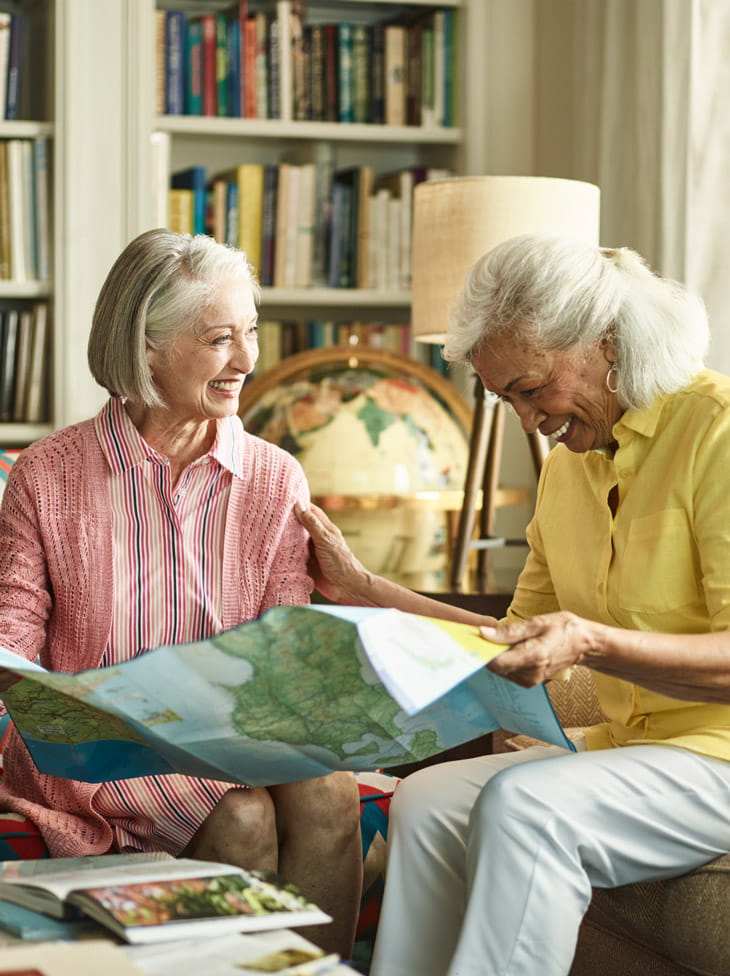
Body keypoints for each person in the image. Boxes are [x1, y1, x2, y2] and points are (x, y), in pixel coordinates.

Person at [297, 233, 730, 975]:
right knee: (429, 800)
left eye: (532, 389)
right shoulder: (572, 467)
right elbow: (509, 638)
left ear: (606, 343)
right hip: (638, 749)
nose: (529, 421)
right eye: (508, 400)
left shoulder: (715, 432)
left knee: (527, 807)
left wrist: (591, 642)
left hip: (718, 756)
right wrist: (370, 591)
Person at [0, 228, 362, 958]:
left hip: (232, 731)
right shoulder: (47, 475)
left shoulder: (274, 478)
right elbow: (13, 638)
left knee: (332, 791)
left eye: (251, 333)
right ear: (148, 346)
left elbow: (285, 645)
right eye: (220, 338)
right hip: (98, 745)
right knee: (243, 820)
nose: (249, 362)